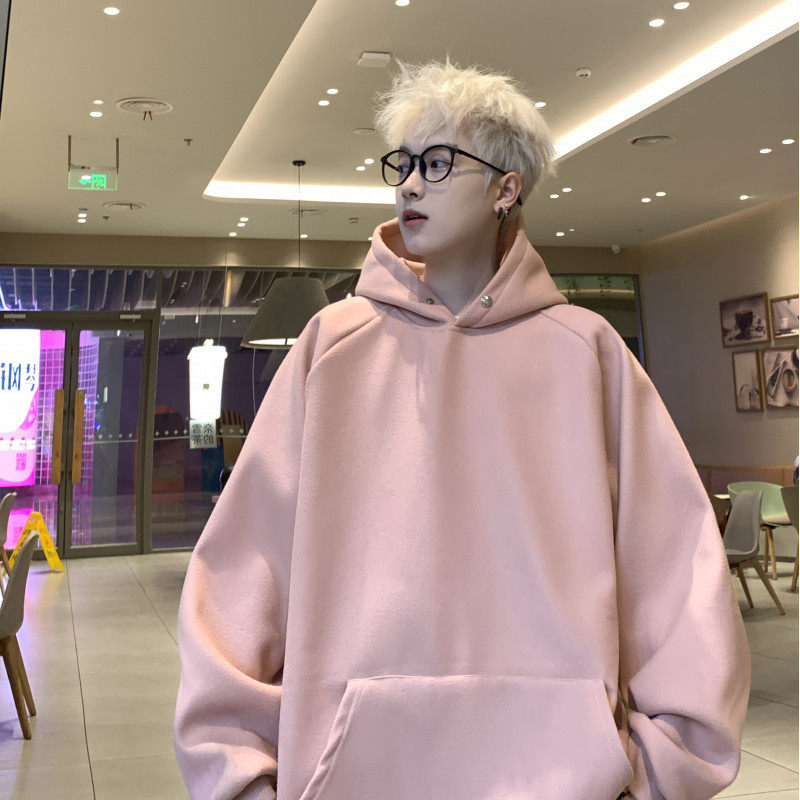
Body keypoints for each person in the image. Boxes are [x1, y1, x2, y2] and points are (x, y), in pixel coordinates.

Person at [173, 55, 751, 800]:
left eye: (438, 162)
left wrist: (662, 774)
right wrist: (239, 778)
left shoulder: (589, 355)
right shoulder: (331, 350)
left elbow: (679, 581)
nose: (409, 184)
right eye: (403, 163)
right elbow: (240, 573)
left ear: (507, 188)